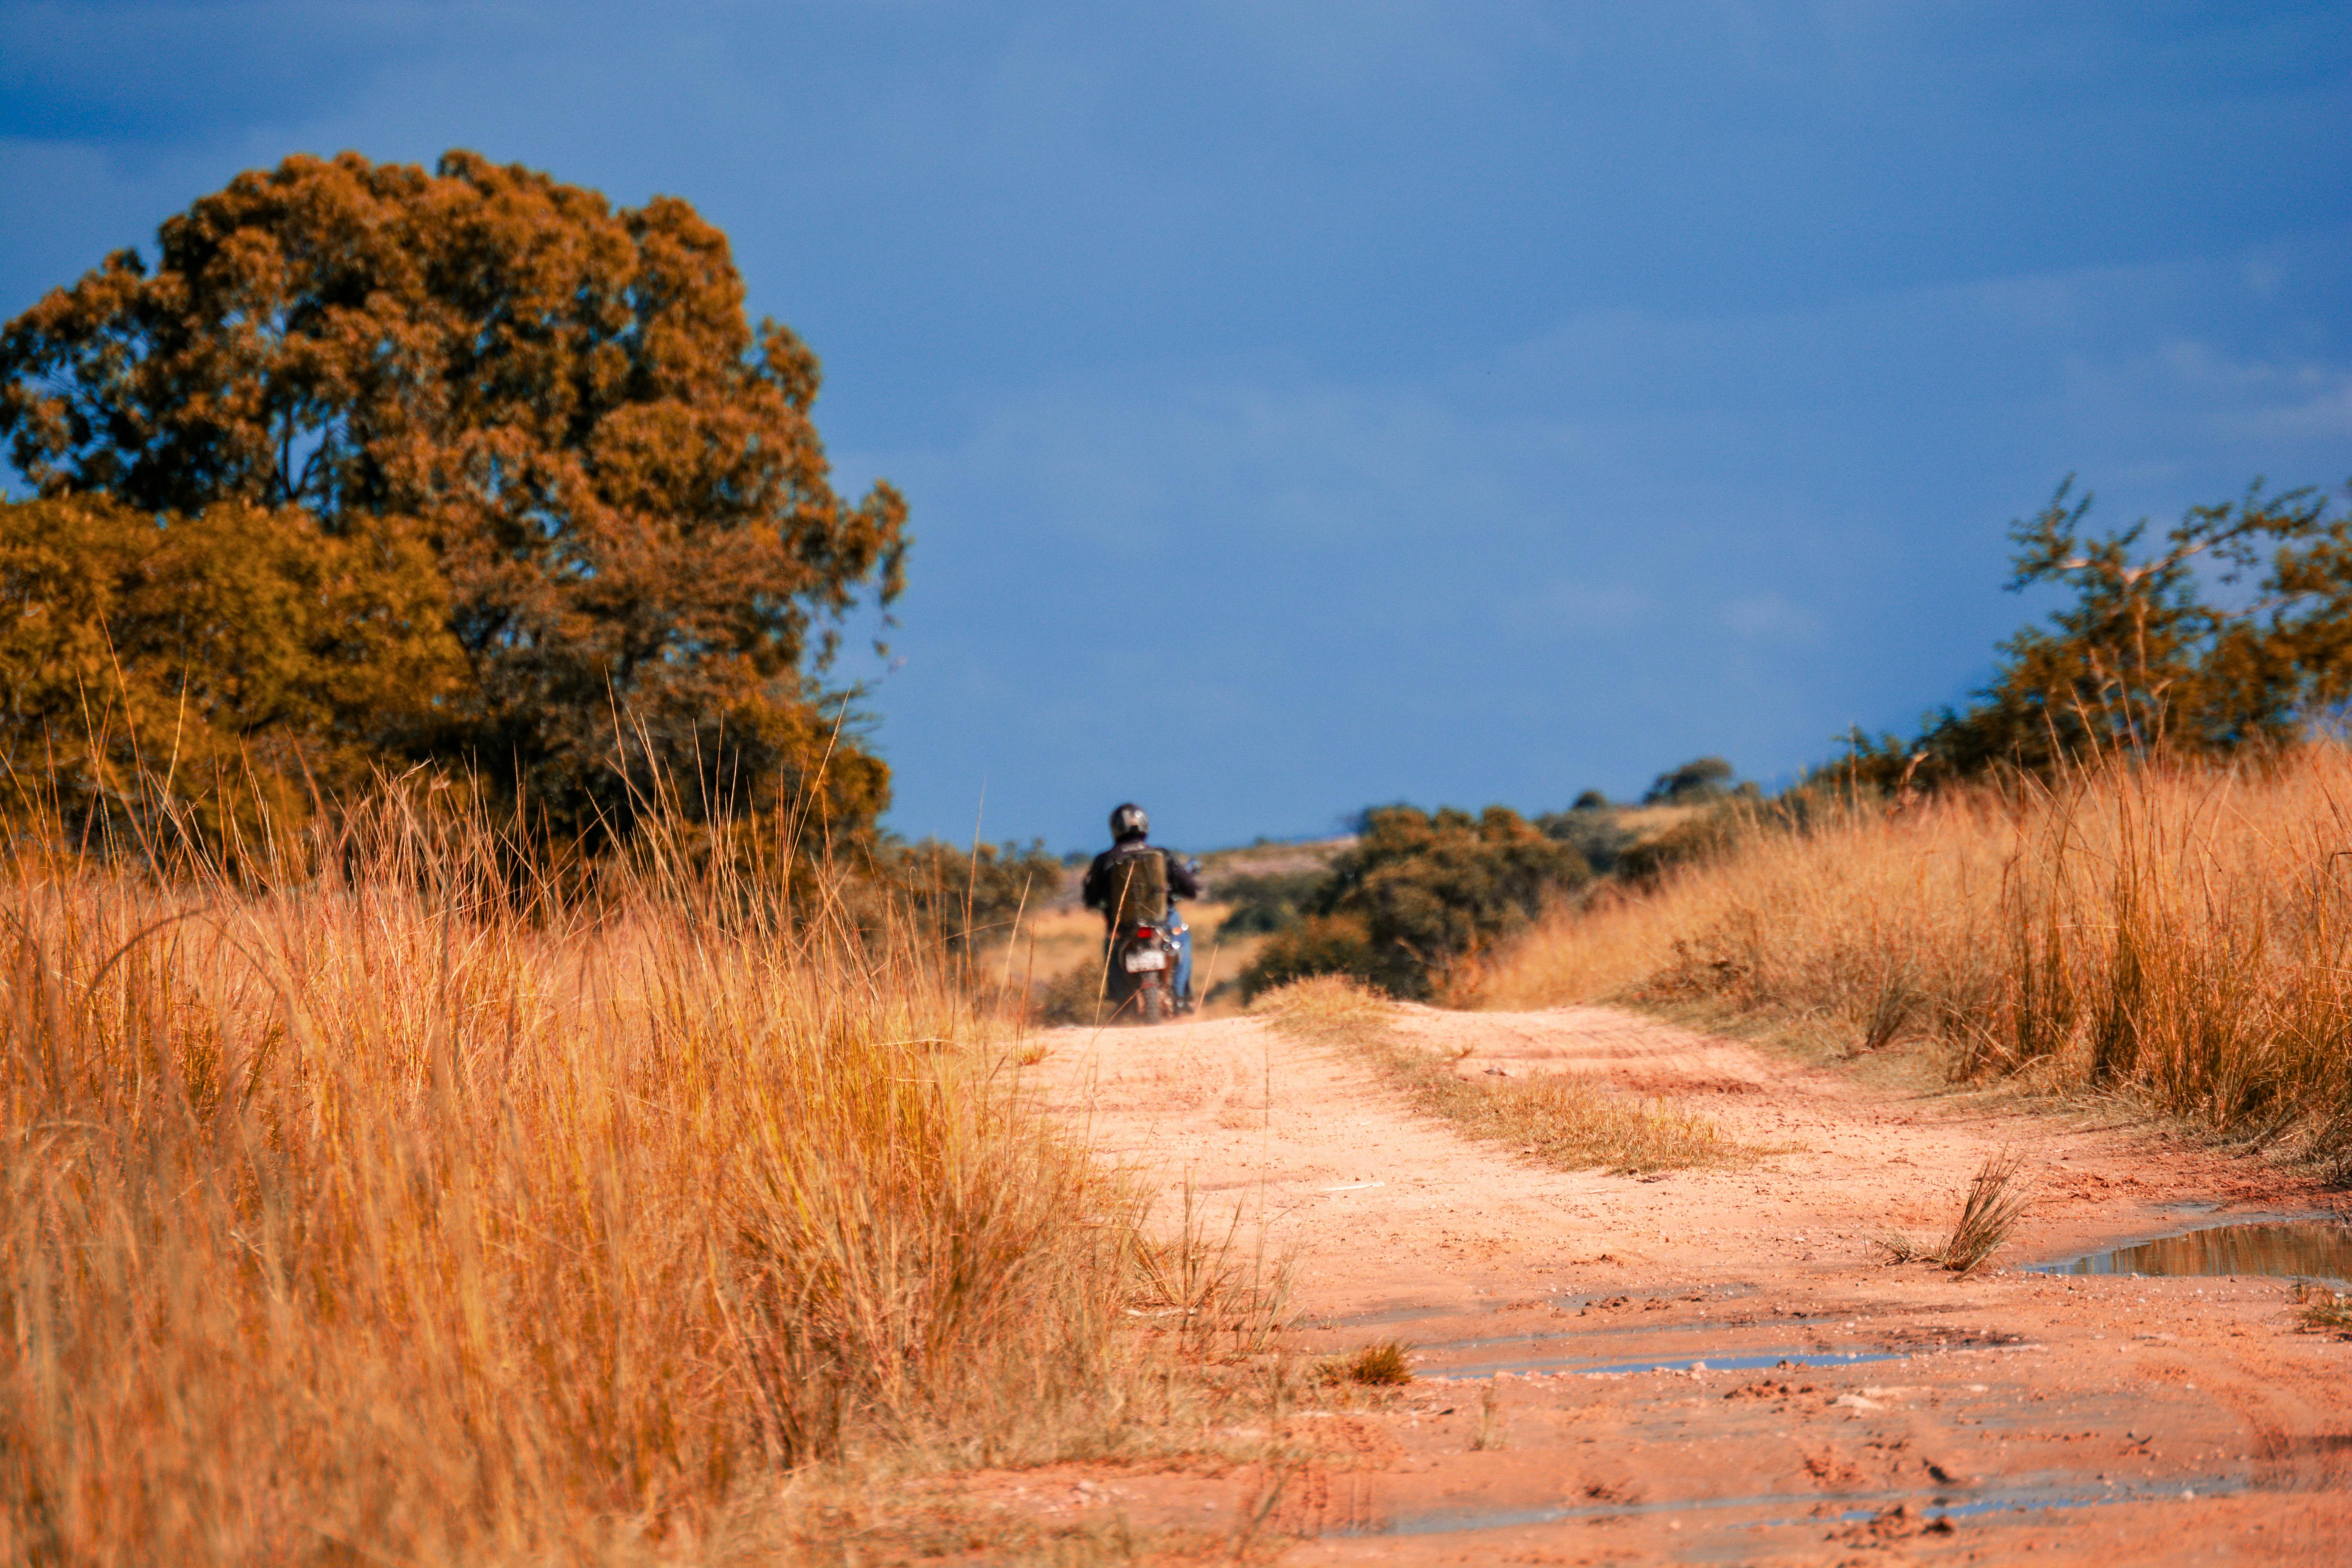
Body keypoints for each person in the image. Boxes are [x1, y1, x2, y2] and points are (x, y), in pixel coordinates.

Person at [1081, 802, 1204, 1011]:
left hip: (1122, 927)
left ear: (1115, 828)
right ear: (1145, 825)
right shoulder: (1161, 855)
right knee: (1182, 937)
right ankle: (1181, 996)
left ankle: (1121, 1002)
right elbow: (1190, 888)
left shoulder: (1104, 860)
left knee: (1110, 948)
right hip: (1161, 921)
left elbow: (1092, 899)